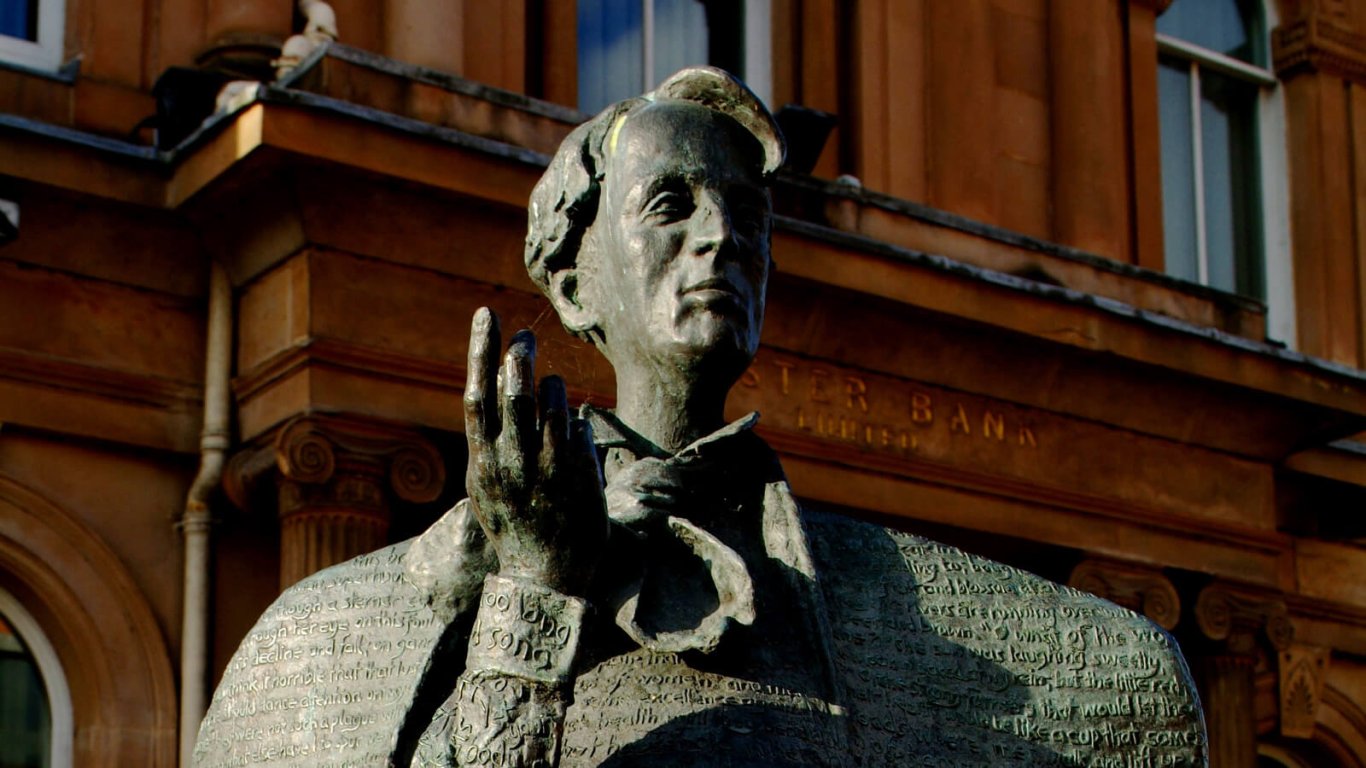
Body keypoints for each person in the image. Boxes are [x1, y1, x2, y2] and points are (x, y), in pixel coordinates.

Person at [194, 68, 1206, 768]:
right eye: (669, 203)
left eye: (745, 210)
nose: (720, 234)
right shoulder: (335, 636)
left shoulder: (919, 619)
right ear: (574, 282)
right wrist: (535, 592)